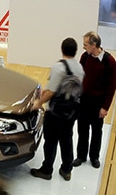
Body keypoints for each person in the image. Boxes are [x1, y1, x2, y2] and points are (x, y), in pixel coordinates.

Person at [30, 37, 83, 181]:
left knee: (51, 140)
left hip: (56, 112)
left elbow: (52, 92)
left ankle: (47, 170)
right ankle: (66, 169)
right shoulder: (80, 69)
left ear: (62, 49)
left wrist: (38, 102)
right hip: (71, 111)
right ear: (76, 51)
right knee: (67, 139)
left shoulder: (58, 67)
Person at [75, 31, 116, 169]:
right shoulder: (85, 57)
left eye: (86, 45)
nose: (84, 47)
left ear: (94, 45)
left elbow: (112, 86)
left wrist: (105, 107)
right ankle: (81, 155)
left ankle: (94, 157)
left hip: (98, 103)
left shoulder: (109, 61)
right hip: (84, 101)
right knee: (82, 130)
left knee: (97, 132)